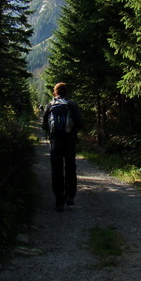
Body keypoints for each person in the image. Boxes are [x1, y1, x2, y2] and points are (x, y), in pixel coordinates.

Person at [42, 82, 83, 212]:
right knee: (70, 167)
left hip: (55, 142)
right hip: (69, 141)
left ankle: (58, 201)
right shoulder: (72, 105)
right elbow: (80, 123)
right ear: (67, 92)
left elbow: (44, 126)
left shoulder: (50, 105)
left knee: (56, 171)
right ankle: (70, 196)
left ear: (55, 92)